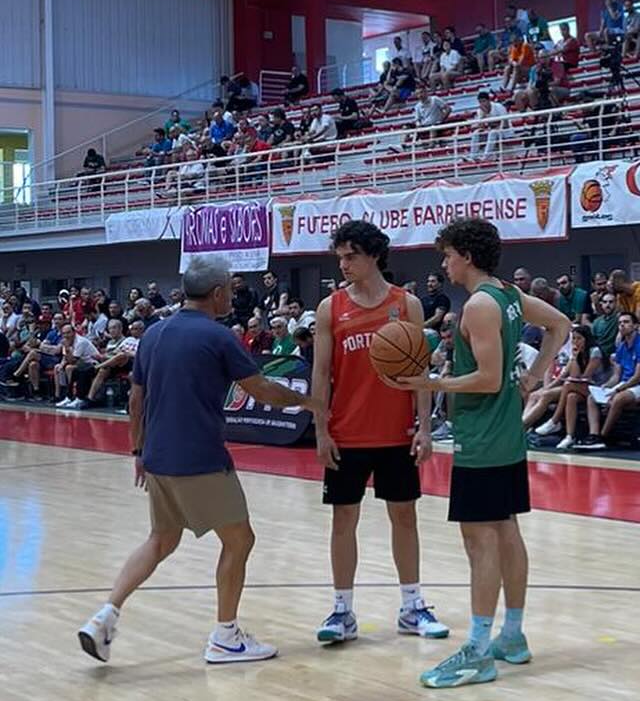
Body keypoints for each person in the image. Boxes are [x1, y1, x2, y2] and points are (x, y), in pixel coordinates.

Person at [76, 255, 323, 665]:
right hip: (199, 456)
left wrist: (138, 450)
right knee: (240, 540)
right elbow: (261, 390)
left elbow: (136, 400)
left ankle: (105, 616)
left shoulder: (153, 334)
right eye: (229, 289)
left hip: (156, 456)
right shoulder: (219, 336)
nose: (232, 296)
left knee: (161, 539)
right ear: (218, 293)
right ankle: (226, 636)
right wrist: (309, 402)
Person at [387, 220, 568, 688]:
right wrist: (533, 376)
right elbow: (560, 325)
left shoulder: (481, 305)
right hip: (505, 433)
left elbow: (487, 379)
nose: (444, 264)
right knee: (506, 530)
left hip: (482, 438)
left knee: (480, 541)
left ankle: (478, 651)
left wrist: (432, 382)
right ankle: (512, 636)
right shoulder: (507, 294)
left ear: (466, 255)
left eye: (447, 255)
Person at [306, 221, 446, 645]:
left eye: (350, 256)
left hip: (397, 433)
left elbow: (420, 371)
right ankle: (342, 611)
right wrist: (320, 430)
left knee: (404, 517)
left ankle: (412, 606)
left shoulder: (408, 304)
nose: (343, 264)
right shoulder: (330, 307)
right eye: (340, 257)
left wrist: (425, 428)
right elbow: (320, 373)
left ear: (374, 256)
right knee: (343, 519)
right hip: (346, 433)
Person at [576, 311, 640, 450]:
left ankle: (603, 436)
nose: (622, 325)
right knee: (592, 397)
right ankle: (593, 434)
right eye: (620, 323)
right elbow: (616, 376)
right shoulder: (621, 347)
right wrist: (606, 386)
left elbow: (637, 377)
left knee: (618, 398)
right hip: (625, 384)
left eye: (626, 322)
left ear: (635, 326)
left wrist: (618, 390)